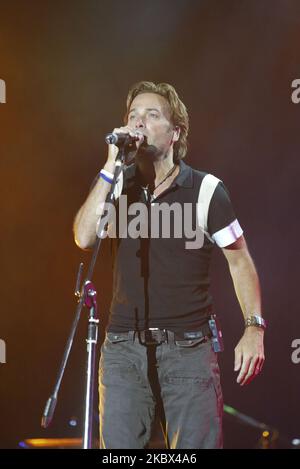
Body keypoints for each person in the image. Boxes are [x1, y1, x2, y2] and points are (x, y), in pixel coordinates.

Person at [73, 81, 265, 449]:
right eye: (133, 116)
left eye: (151, 114)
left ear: (176, 132)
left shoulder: (207, 191)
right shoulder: (117, 187)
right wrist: (110, 165)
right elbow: (83, 238)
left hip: (188, 352)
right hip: (123, 351)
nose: (139, 122)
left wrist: (254, 328)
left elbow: (240, 262)